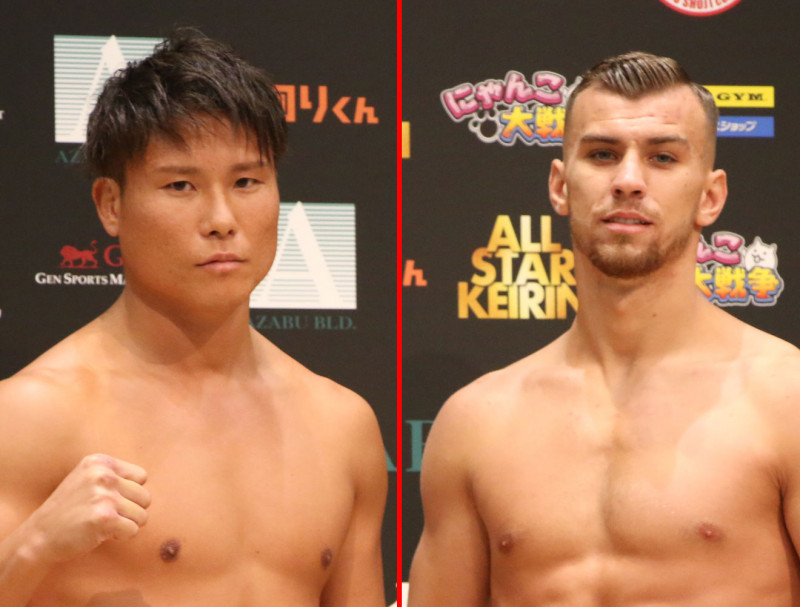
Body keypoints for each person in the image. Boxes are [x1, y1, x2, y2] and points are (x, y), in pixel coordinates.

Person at [0, 29, 387, 607]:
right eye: (181, 185)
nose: (222, 218)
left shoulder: (342, 427)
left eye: (247, 182)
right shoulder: (29, 419)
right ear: (111, 204)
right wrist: (33, 547)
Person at [408, 51, 800, 606]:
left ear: (710, 196)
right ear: (560, 186)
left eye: (662, 157)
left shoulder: (787, 401)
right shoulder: (475, 424)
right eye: (602, 154)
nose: (628, 180)